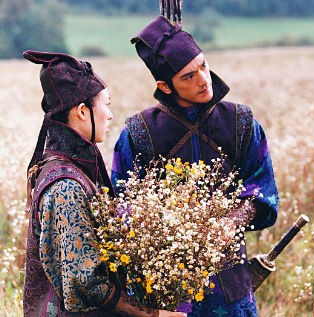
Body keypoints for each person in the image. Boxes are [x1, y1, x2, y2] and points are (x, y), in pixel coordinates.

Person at [111, 16, 279, 317]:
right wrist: (162, 227)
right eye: (188, 76)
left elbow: (262, 189)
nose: (204, 79)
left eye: (203, 65)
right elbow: (121, 204)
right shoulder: (138, 133)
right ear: (164, 85)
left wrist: (231, 221)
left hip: (230, 287)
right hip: (162, 290)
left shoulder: (241, 123)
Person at [22, 51, 186, 317]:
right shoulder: (66, 184)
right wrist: (151, 314)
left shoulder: (71, 167)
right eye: (106, 105)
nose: (110, 115)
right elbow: (86, 283)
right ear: (83, 111)